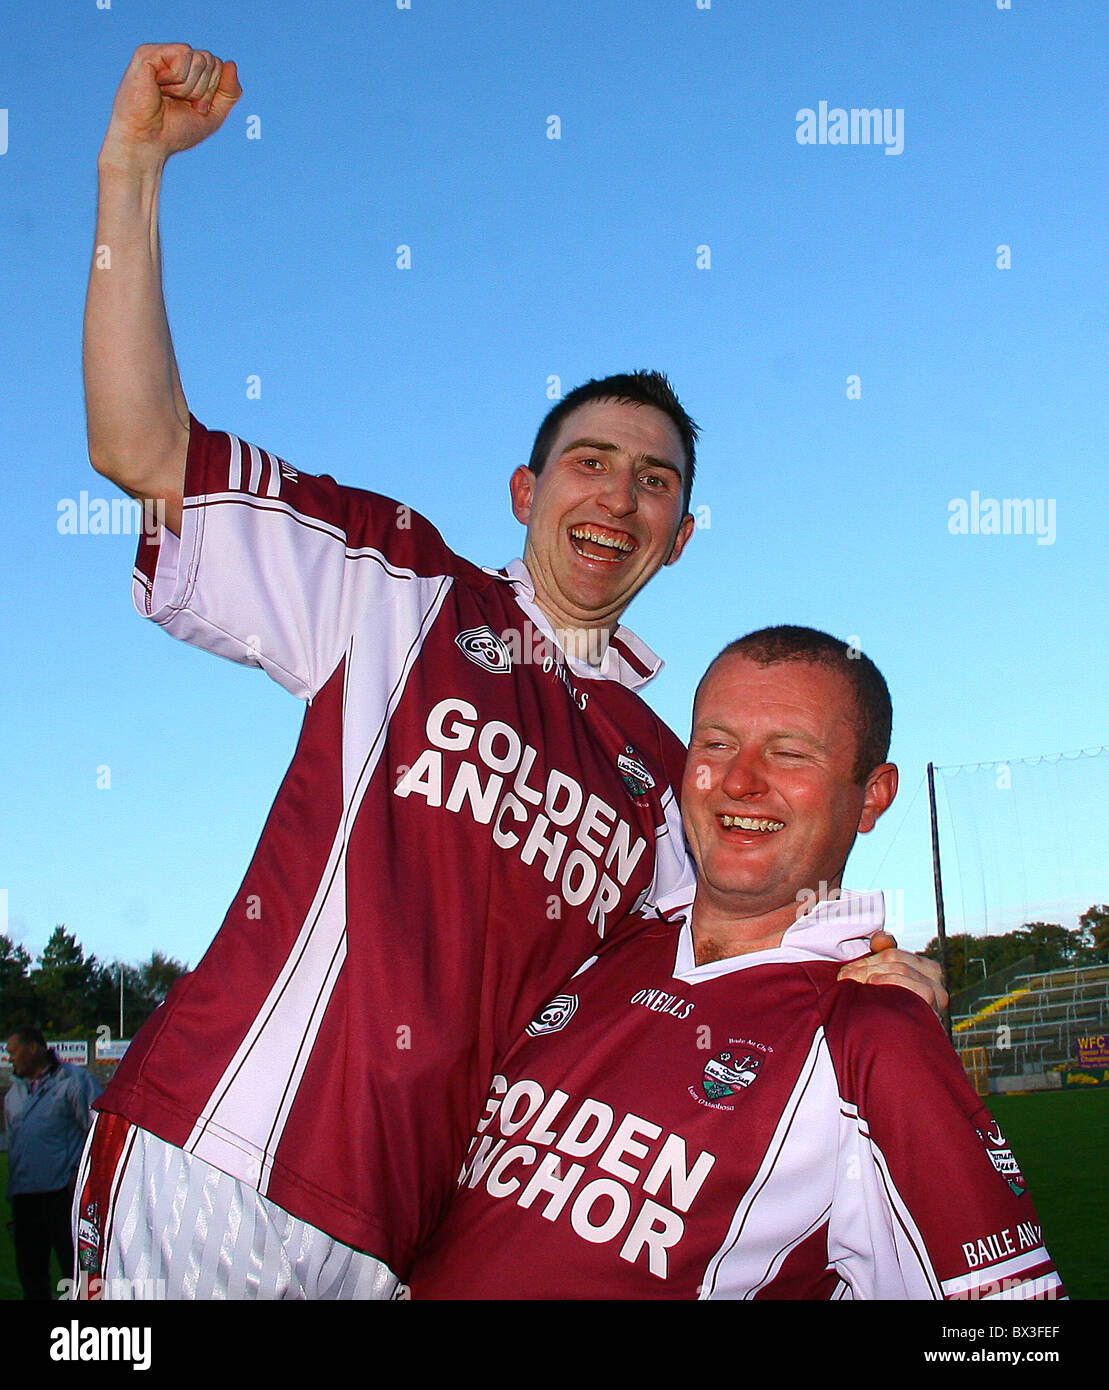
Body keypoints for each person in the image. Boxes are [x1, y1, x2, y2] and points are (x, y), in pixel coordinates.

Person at [75, 44, 943, 1300]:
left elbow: (730, 931)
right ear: (528, 492)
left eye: (655, 482)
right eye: (589, 461)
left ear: (679, 537)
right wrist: (132, 170)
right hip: (224, 1162)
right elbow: (140, 445)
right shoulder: (400, 584)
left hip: (414, 1237)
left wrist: (865, 961)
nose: (619, 494)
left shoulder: (662, 767)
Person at [408, 628, 1063, 1301]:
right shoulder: (592, 943)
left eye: (788, 754)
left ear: (871, 796)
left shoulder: (873, 1035)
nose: (739, 780)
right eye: (715, 744)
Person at [4, 1028, 101, 1300]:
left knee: (79, 1276)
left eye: (13, 1052)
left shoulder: (76, 1082)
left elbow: (100, 1134)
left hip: (63, 1198)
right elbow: (15, 1150)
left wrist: (79, 1176)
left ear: (33, 1048)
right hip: (25, 1201)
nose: (10, 1059)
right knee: (32, 1278)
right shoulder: (14, 1095)